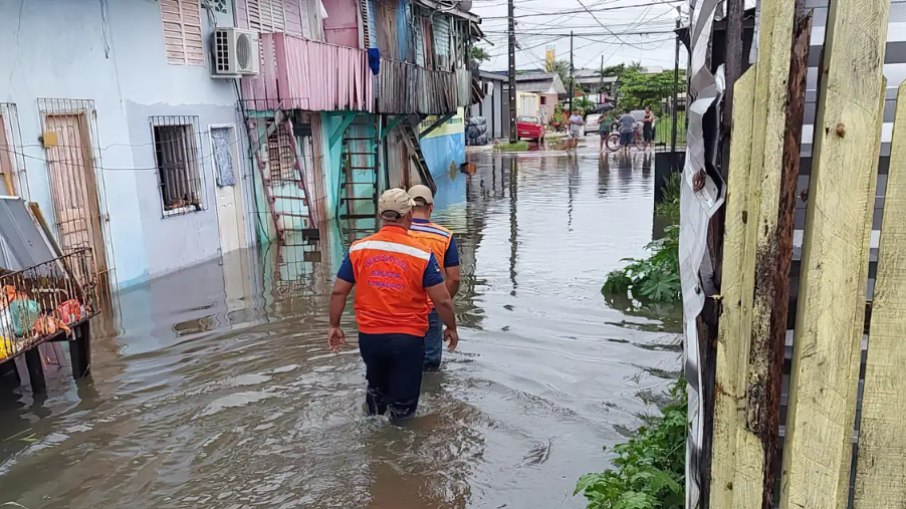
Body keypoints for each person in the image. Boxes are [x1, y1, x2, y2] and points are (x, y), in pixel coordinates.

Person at [328, 189, 459, 421]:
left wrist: (334, 325)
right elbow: (442, 300)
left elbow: (339, 291)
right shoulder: (421, 254)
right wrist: (451, 327)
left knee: (376, 392)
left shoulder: (357, 249)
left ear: (380, 216)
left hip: (370, 338)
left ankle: (372, 442)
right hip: (407, 339)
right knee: (404, 409)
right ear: (409, 214)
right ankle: (398, 452)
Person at [407, 184, 461, 371]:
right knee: (429, 365)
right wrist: (441, 302)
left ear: (408, 208)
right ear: (431, 207)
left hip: (399, 308)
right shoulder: (445, 237)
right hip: (431, 307)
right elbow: (454, 278)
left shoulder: (396, 236)